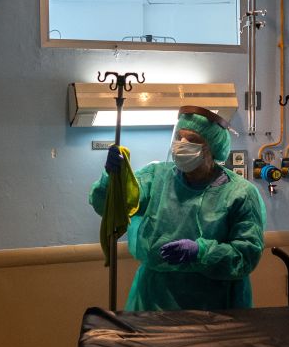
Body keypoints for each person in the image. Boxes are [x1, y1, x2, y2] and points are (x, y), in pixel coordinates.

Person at [89, 106, 266, 311]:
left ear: (213, 147)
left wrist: (200, 252)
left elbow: (246, 256)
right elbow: (113, 206)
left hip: (215, 307)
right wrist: (113, 178)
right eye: (179, 137)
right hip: (154, 301)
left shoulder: (240, 194)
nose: (182, 145)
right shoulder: (156, 178)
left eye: (192, 140)